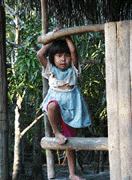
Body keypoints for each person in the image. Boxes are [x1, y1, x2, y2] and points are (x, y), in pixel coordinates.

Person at [37, 28, 91, 180]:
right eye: (59, 56)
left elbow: (73, 50)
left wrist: (65, 36)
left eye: (66, 56)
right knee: (52, 105)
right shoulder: (50, 69)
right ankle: (56, 132)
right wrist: (53, 40)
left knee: (70, 142)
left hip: (73, 107)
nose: (63, 59)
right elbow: (40, 54)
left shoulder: (74, 70)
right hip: (57, 104)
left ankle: (72, 173)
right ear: (53, 58)